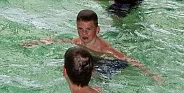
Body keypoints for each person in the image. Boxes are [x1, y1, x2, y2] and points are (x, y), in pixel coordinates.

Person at [23, 10, 160, 82]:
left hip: (110, 63)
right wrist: (37, 42)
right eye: (80, 29)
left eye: (88, 29)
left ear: (97, 30)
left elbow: (129, 59)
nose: (84, 33)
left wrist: (151, 74)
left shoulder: (105, 49)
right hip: (92, 62)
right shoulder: (78, 41)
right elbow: (62, 40)